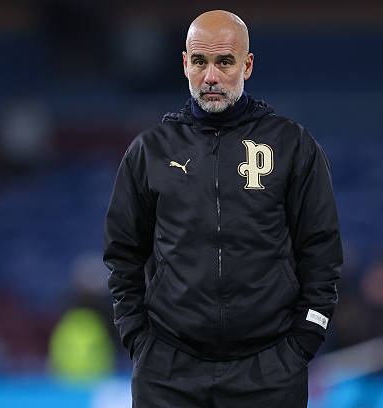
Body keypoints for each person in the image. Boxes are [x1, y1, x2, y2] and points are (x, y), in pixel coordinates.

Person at [103, 10, 343, 407]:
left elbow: (322, 251)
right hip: (168, 371)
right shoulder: (150, 151)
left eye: (224, 62)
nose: (210, 76)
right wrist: (138, 339)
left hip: (270, 369)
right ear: (185, 64)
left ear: (247, 65)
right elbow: (122, 254)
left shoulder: (292, 145)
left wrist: (303, 341)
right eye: (200, 62)